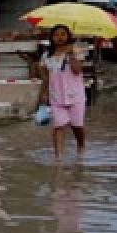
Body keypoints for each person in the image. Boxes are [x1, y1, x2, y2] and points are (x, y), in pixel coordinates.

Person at [38, 25, 87, 159]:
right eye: (56, 35)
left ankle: (81, 145)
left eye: (63, 34)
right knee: (58, 126)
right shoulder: (46, 56)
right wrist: (42, 96)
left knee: (77, 126)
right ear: (52, 37)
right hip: (56, 97)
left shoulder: (76, 51)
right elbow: (45, 78)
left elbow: (77, 70)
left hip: (75, 96)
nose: (60, 37)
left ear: (68, 36)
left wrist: (71, 55)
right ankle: (58, 158)